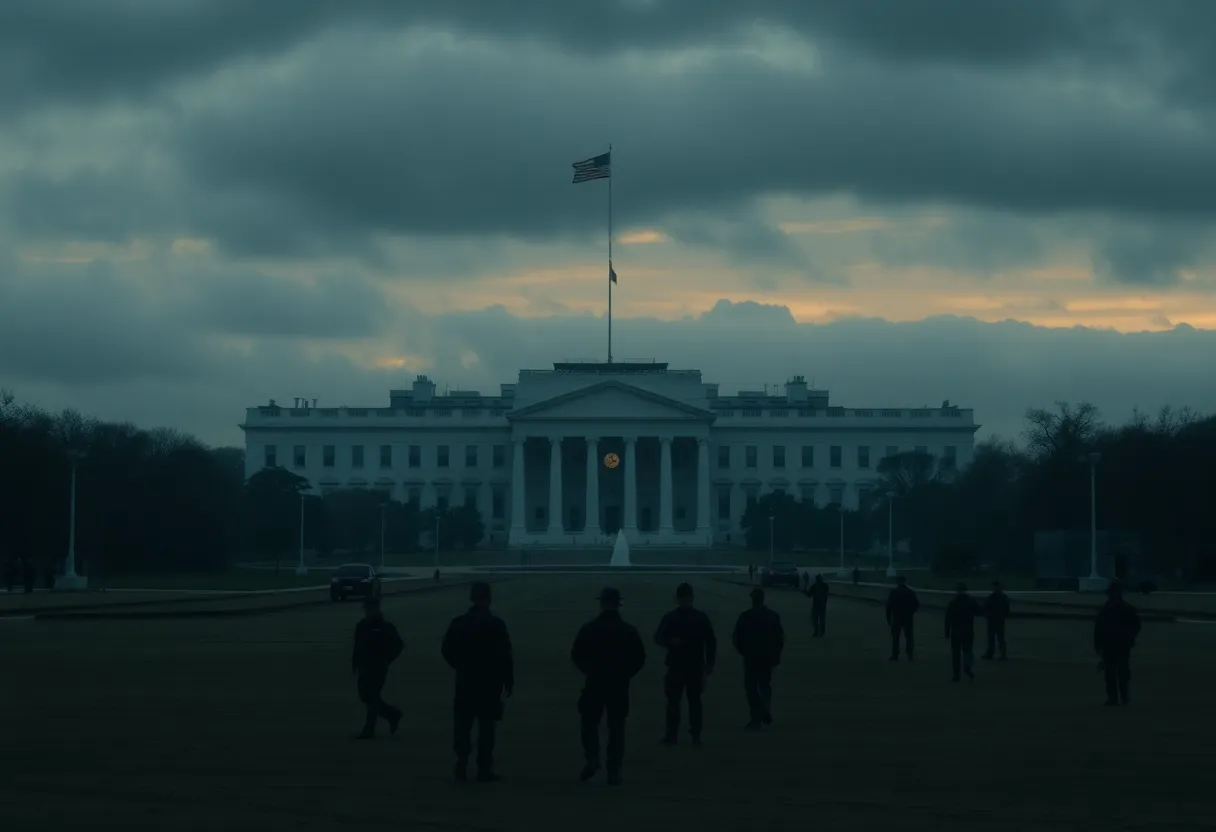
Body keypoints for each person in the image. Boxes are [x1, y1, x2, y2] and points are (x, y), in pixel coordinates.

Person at [571, 587, 646, 786]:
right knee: (616, 728)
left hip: (595, 681)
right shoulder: (629, 630)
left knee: (589, 723)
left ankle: (593, 758)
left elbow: (576, 655)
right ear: (618, 604)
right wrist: (625, 674)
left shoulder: (589, 629)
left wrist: (590, 671)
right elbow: (639, 658)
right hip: (619, 684)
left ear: (601, 603)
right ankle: (613, 770)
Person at [441, 581, 515, 782]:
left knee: (463, 725)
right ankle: (484, 768)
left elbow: (446, 650)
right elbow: (505, 655)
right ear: (488, 599)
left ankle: (462, 762)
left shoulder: (459, 623)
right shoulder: (496, 625)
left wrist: (460, 666)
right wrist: (508, 681)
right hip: (489, 683)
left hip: (465, 681)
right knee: (487, 728)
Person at [654, 582, 717, 745]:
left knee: (674, 703)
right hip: (695, 666)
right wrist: (709, 666)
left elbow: (658, 638)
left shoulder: (671, 617)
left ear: (677, 598)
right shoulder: (701, 618)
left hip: (676, 665)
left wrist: (671, 642)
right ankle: (695, 735)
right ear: (692, 598)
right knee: (694, 703)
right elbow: (711, 643)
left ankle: (672, 735)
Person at [350, 596, 404, 740]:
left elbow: (399, 645)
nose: (368, 611)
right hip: (364, 666)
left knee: (371, 696)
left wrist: (387, 659)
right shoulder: (361, 626)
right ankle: (392, 714)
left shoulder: (385, 627)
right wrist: (354, 664)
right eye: (367, 609)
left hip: (378, 667)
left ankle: (369, 729)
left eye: (371, 608)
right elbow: (357, 646)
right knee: (365, 696)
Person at [732, 588, 785, 730]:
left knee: (751, 687)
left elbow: (736, 638)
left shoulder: (745, 616)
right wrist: (776, 656)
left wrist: (744, 652)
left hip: (751, 656)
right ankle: (765, 709)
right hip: (767, 656)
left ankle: (756, 717)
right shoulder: (773, 616)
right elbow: (780, 639)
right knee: (765, 684)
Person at [1093, 582, 1142, 706]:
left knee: (1119, 672)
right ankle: (1117, 697)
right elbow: (1098, 629)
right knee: (1115, 672)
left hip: (1118, 644)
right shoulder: (1113, 609)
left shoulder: (1110, 609)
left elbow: (1098, 629)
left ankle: (1119, 697)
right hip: (1115, 644)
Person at [944, 583, 981, 682]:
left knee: (956, 654)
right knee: (968, 651)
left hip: (956, 631)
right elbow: (980, 611)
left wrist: (947, 632)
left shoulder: (953, 603)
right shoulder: (971, 602)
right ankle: (967, 668)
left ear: (957, 591)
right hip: (968, 630)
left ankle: (956, 675)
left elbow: (948, 619)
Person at [886, 576, 920, 660]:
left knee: (896, 637)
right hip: (908, 617)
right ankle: (909, 654)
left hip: (897, 617)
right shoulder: (910, 592)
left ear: (897, 582)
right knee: (909, 637)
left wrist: (888, 618)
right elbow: (916, 605)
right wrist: (911, 612)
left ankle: (895, 654)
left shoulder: (893, 592)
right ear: (905, 581)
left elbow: (888, 607)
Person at [982, 581, 1011, 660]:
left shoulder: (992, 597)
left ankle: (991, 654)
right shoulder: (1003, 597)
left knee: (993, 638)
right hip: (998, 619)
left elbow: (985, 607)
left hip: (993, 619)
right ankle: (1002, 654)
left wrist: (986, 615)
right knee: (999, 638)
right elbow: (1007, 609)